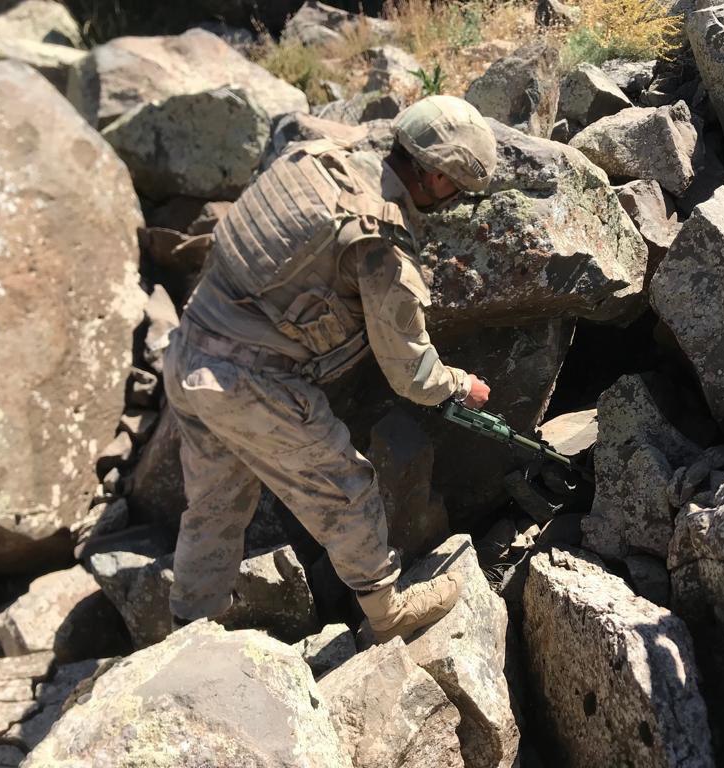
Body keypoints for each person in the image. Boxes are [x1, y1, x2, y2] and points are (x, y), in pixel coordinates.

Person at [161, 95, 497, 642]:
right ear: (436, 176)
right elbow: (410, 372)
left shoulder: (320, 157)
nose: (455, 200)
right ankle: (387, 612)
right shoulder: (379, 240)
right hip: (249, 382)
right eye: (457, 189)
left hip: (189, 348)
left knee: (216, 505)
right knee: (348, 489)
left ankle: (188, 629)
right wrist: (459, 385)